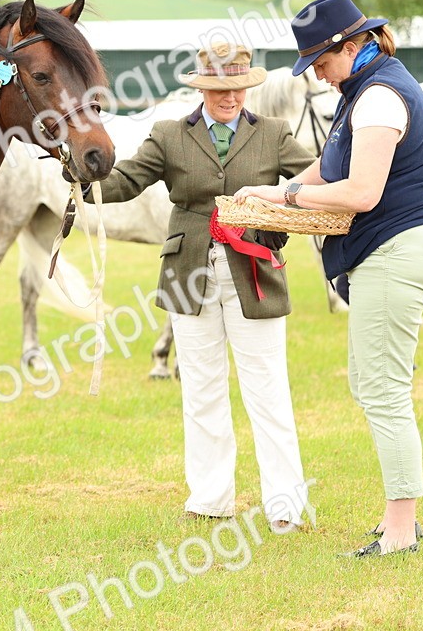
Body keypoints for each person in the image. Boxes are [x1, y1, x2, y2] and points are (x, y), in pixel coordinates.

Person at [234, 0, 423, 557]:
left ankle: (402, 532)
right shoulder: (367, 87)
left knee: (382, 389)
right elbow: (329, 166)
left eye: (322, 63)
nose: (321, 76)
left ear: (350, 47)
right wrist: (275, 188)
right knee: (372, 382)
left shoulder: (378, 97)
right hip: (397, 248)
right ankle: (396, 519)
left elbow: (360, 192)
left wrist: (287, 195)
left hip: (398, 248)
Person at [88, 43, 315, 531]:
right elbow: (126, 180)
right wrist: (79, 176)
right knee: (202, 388)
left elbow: (313, 183)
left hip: (254, 274)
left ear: (246, 87)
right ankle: (211, 497)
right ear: (202, 89)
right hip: (187, 274)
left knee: (267, 390)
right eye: (218, 88)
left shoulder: (274, 134)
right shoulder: (169, 134)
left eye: (235, 87)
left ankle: (285, 506)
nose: (228, 97)